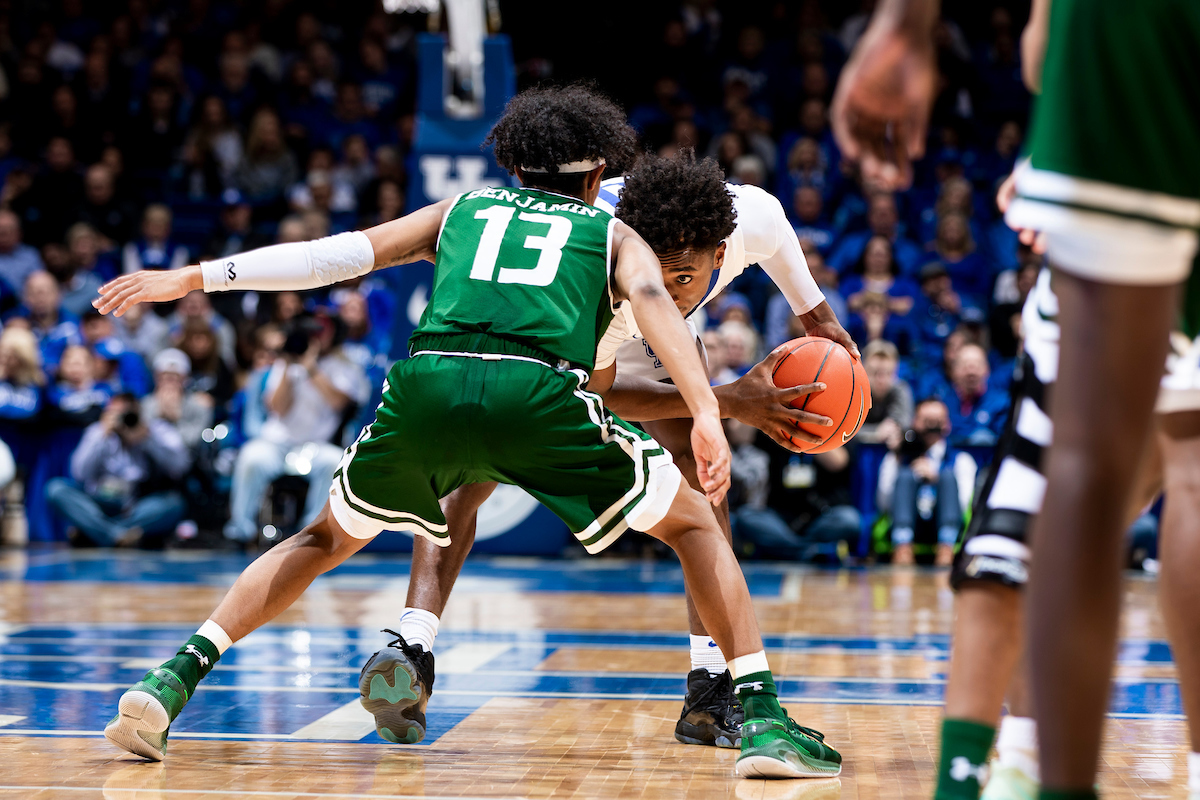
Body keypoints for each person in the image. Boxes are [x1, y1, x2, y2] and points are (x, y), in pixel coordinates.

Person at [96, 85, 842, 780]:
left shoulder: (459, 210)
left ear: (514, 167)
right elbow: (650, 298)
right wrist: (709, 412)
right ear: (598, 176)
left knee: (318, 540)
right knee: (696, 526)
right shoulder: (610, 231)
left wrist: (195, 277)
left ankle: (172, 681)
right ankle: (764, 719)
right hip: (539, 390)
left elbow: (338, 256)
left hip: (429, 384)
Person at [373, 151, 857, 752]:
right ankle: (412, 646)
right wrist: (727, 399)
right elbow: (593, 393)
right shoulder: (610, 261)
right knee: (474, 469)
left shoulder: (750, 216)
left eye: (689, 276)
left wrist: (822, 322)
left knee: (704, 474)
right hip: (575, 314)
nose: (675, 293)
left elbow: (781, 241)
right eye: (662, 274)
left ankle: (710, 689)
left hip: (623, 317)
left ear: (723, 250)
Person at [835, 2, 1200, 799]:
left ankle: (1029, 774)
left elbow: (1038, 58)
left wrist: (904, 23)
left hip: (1125, 40)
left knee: (1082, 471)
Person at [45, 393, 189, 547]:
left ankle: (96, 532)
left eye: (127, 414)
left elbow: (180, 466)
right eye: (117, 413)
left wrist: (148, 438)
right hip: (98, 502)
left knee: (174, 504)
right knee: (55, 489)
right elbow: (79, 473)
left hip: (134, 504)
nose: (122, 419)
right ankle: (117, 535)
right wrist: (102, 435)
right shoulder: (97, 431)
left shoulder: (151, 430)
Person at [877, 397, 975, 566]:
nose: (931, 427)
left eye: (936, 421)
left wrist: (935, 479)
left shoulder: (962, 460)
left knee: (948, 477)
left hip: (944, 522)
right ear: (915, 423)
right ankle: (902, 546)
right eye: (926, 421)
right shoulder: (897, 458)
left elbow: (963, 505)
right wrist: (898, 460)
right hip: (909, 521)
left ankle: (946, 548)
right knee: (906, 476)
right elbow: (883, 503)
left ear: (947, 425)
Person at [0, 210, 45, 294]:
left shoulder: (30, 255)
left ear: (19, 232)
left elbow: (40, 284)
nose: (3, 235)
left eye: (8, 230)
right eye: (1, 231)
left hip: (27, 303)